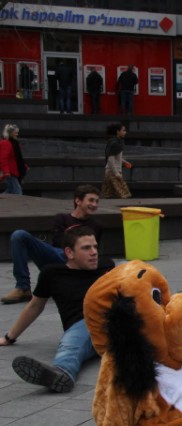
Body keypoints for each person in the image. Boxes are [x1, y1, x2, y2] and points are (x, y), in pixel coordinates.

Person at [0, 227, 114, 393]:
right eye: (86, 248)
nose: (94, 252)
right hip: (84, 326)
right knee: (72, 345)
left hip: (116, 323)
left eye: (95, 247)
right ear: (69, 252)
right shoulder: (52, 274)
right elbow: (34, 306)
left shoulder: (106, 266)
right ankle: (60, 374)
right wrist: (9, 337)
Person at [2, 185, 103, 305]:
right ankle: (23, 288)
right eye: (91, 200)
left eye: (97, 201)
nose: (95, 205)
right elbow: (60, 243)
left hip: (77, 263)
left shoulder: (96, 226)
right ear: (78, 201)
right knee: (19, 235)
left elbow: (92, 252)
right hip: (59, 257)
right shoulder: (62, 219)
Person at [101, 122, 131, 199]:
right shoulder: (114, 143)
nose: (125, 132)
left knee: (108, 194)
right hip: (113, 172)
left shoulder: (116, 142)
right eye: (123, 130)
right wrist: (116, 172)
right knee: (123, 193)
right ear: (118, 131)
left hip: (111, 171)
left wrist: (124, 162)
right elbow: (110, 159)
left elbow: (117, 157)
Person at [0, 124, 27, 195]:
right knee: (17, 192)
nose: (17, 134)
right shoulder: (6, 143)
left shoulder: (13, 143)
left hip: (13, 171)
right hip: (10, 172)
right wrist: (6, 171)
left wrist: (24, 166)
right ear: (10, 133)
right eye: (15, 132)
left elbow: (16, 158)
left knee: (10, 190)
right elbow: (3, 159)